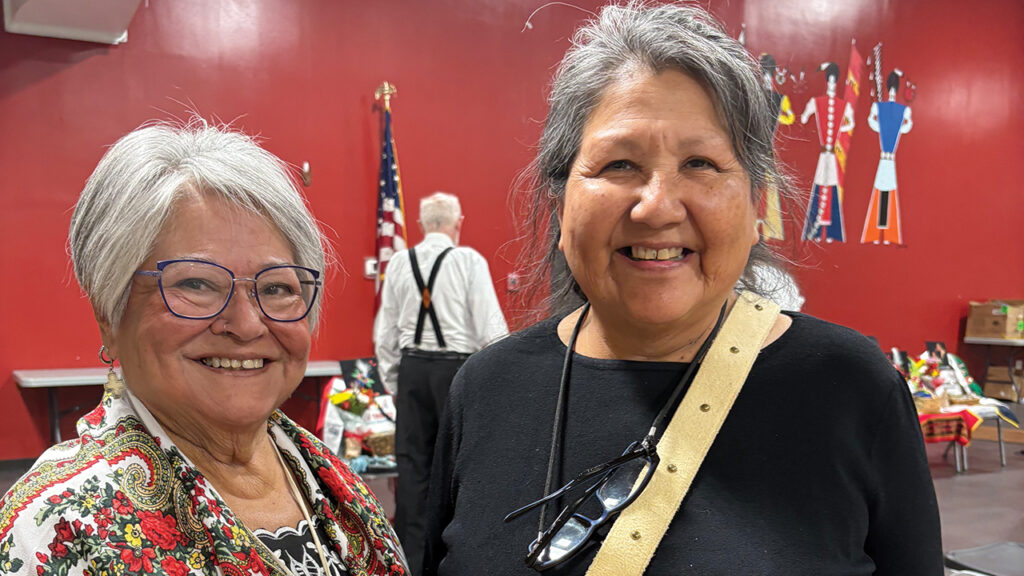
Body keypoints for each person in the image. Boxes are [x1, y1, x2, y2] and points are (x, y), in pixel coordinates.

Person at [424, 4, 942, 575]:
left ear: (754, 204)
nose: (657, 207)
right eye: (619, 164)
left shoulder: (851, 387)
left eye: (700, 162)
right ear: (560, 198)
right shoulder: (486, 389)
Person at [0, 121, 408, 575]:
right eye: (196, 283)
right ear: (109, 315)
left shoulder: (330, 477)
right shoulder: (57, 531)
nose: (247, 324)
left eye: (276, 288)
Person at [373, 191, 507, 575]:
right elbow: (492, 332)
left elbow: (385, 335)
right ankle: (456, 561)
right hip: (456, 373)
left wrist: (396, 385)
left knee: (412, 471)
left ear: (419, 225)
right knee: (460, 469)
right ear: (457, 223)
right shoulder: (469, 261)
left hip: (413, 370)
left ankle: (409, 565)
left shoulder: (399, 262)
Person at [800, 62, 855, 243]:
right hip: (824, 154)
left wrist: (841, 128)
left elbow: (851, 123)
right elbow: (804, 116)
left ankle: (830, 230)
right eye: (829, 81)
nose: (831, 85)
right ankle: (816, 229)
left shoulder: (843, 105)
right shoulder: (817, 102)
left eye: (833, 82)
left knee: (831, 187)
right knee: (820, 187)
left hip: (831, 155)